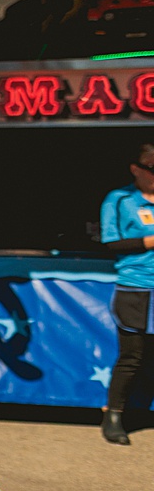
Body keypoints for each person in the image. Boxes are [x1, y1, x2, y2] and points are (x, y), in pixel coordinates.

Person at [97, 143, 154, 445]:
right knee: (132, 357)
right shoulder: (119, 200)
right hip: (136, 286)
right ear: (136, 169)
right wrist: (150, 241)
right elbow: (111, 242)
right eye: (152, 168)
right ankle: (114, 416)